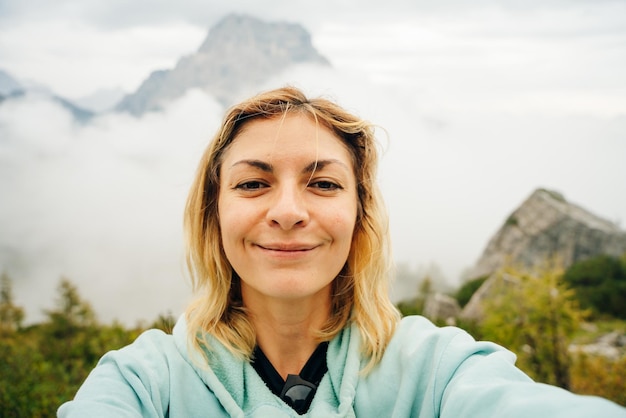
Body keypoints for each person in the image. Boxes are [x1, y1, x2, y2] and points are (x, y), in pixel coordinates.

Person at [58, 86, 626, 417]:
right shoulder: (143, 384)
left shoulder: (436, 372)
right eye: (253, 183)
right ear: (214, 215)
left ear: (361, 215)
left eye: (323, 183)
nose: (287, 210)